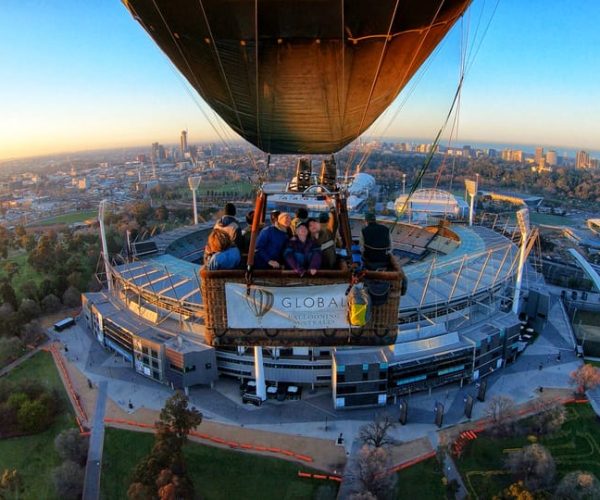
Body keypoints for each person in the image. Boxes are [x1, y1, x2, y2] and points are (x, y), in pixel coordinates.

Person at [307, 200, 338, 269]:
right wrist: (331, 205)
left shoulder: (312, 229)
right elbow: (335, 219)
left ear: (319, 220)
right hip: (329, 259)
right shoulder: (329, 228)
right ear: (328, 219)